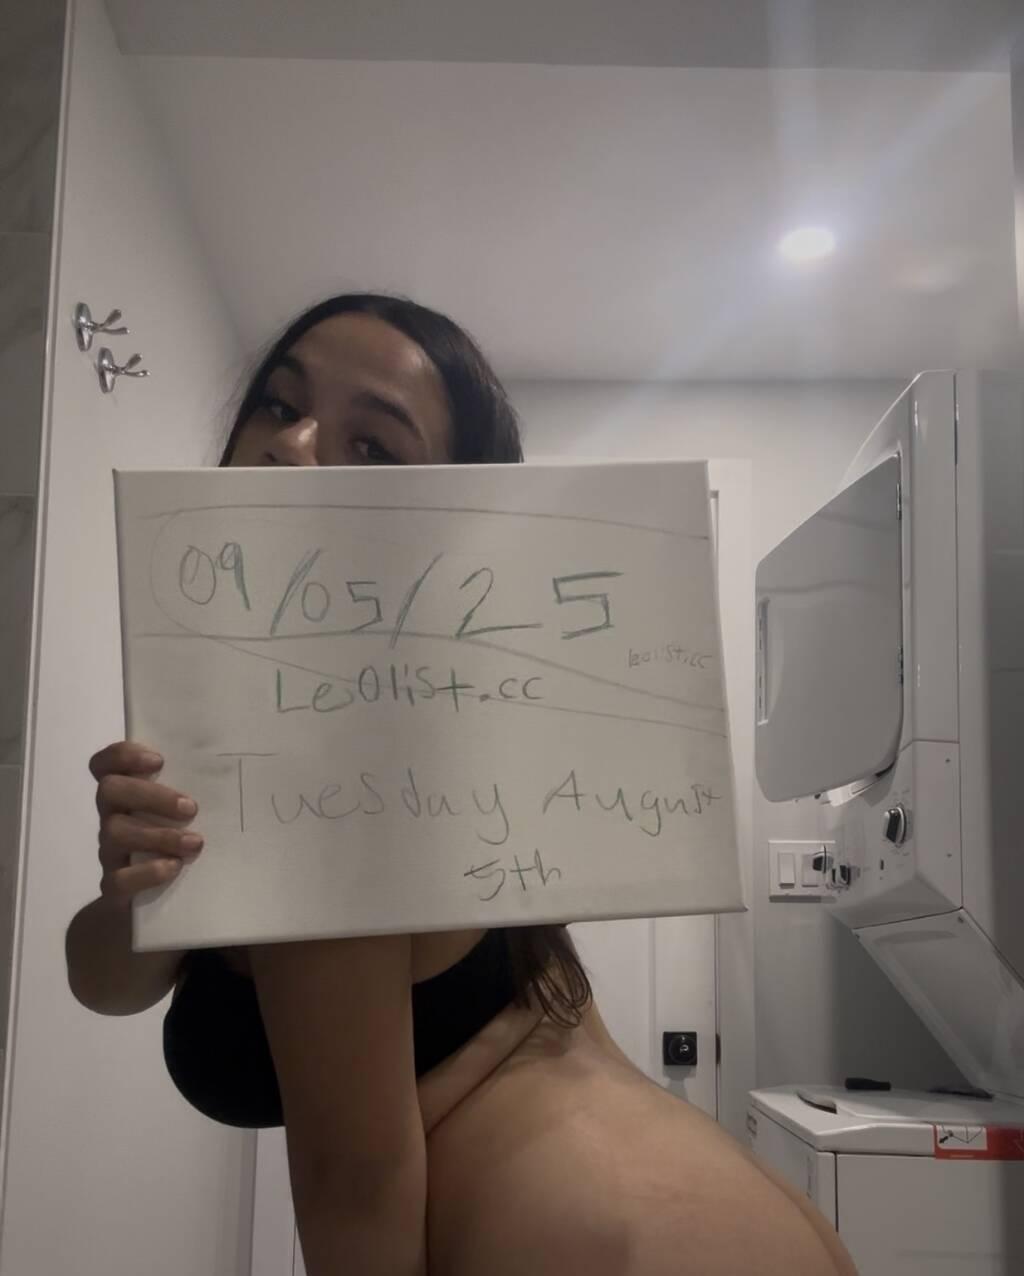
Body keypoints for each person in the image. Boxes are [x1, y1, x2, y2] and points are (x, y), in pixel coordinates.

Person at [65, 293, 857, 1276]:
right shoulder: (272, 725)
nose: (294, 444)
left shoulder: (341, 745)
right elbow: (107, 982)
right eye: (280, 403)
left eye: (373, 447)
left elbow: (357, 1178)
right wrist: (131, 881)